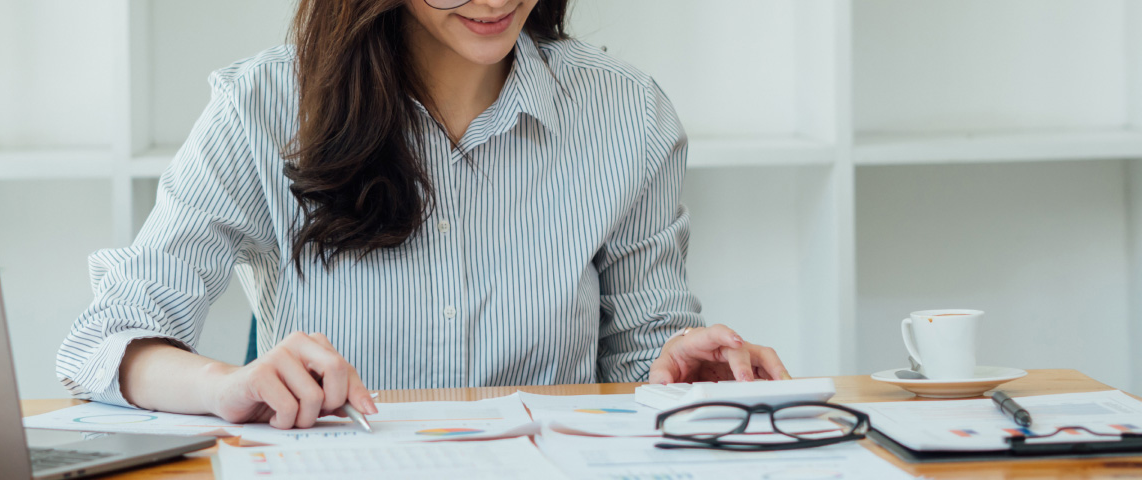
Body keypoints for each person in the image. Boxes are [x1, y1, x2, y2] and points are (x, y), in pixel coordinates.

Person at [56, 0, 790, 431]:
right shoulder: (261, 108)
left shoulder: (626, 115)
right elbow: (105, 337)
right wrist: (225, 387)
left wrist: (679, 369)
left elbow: (641, 361)